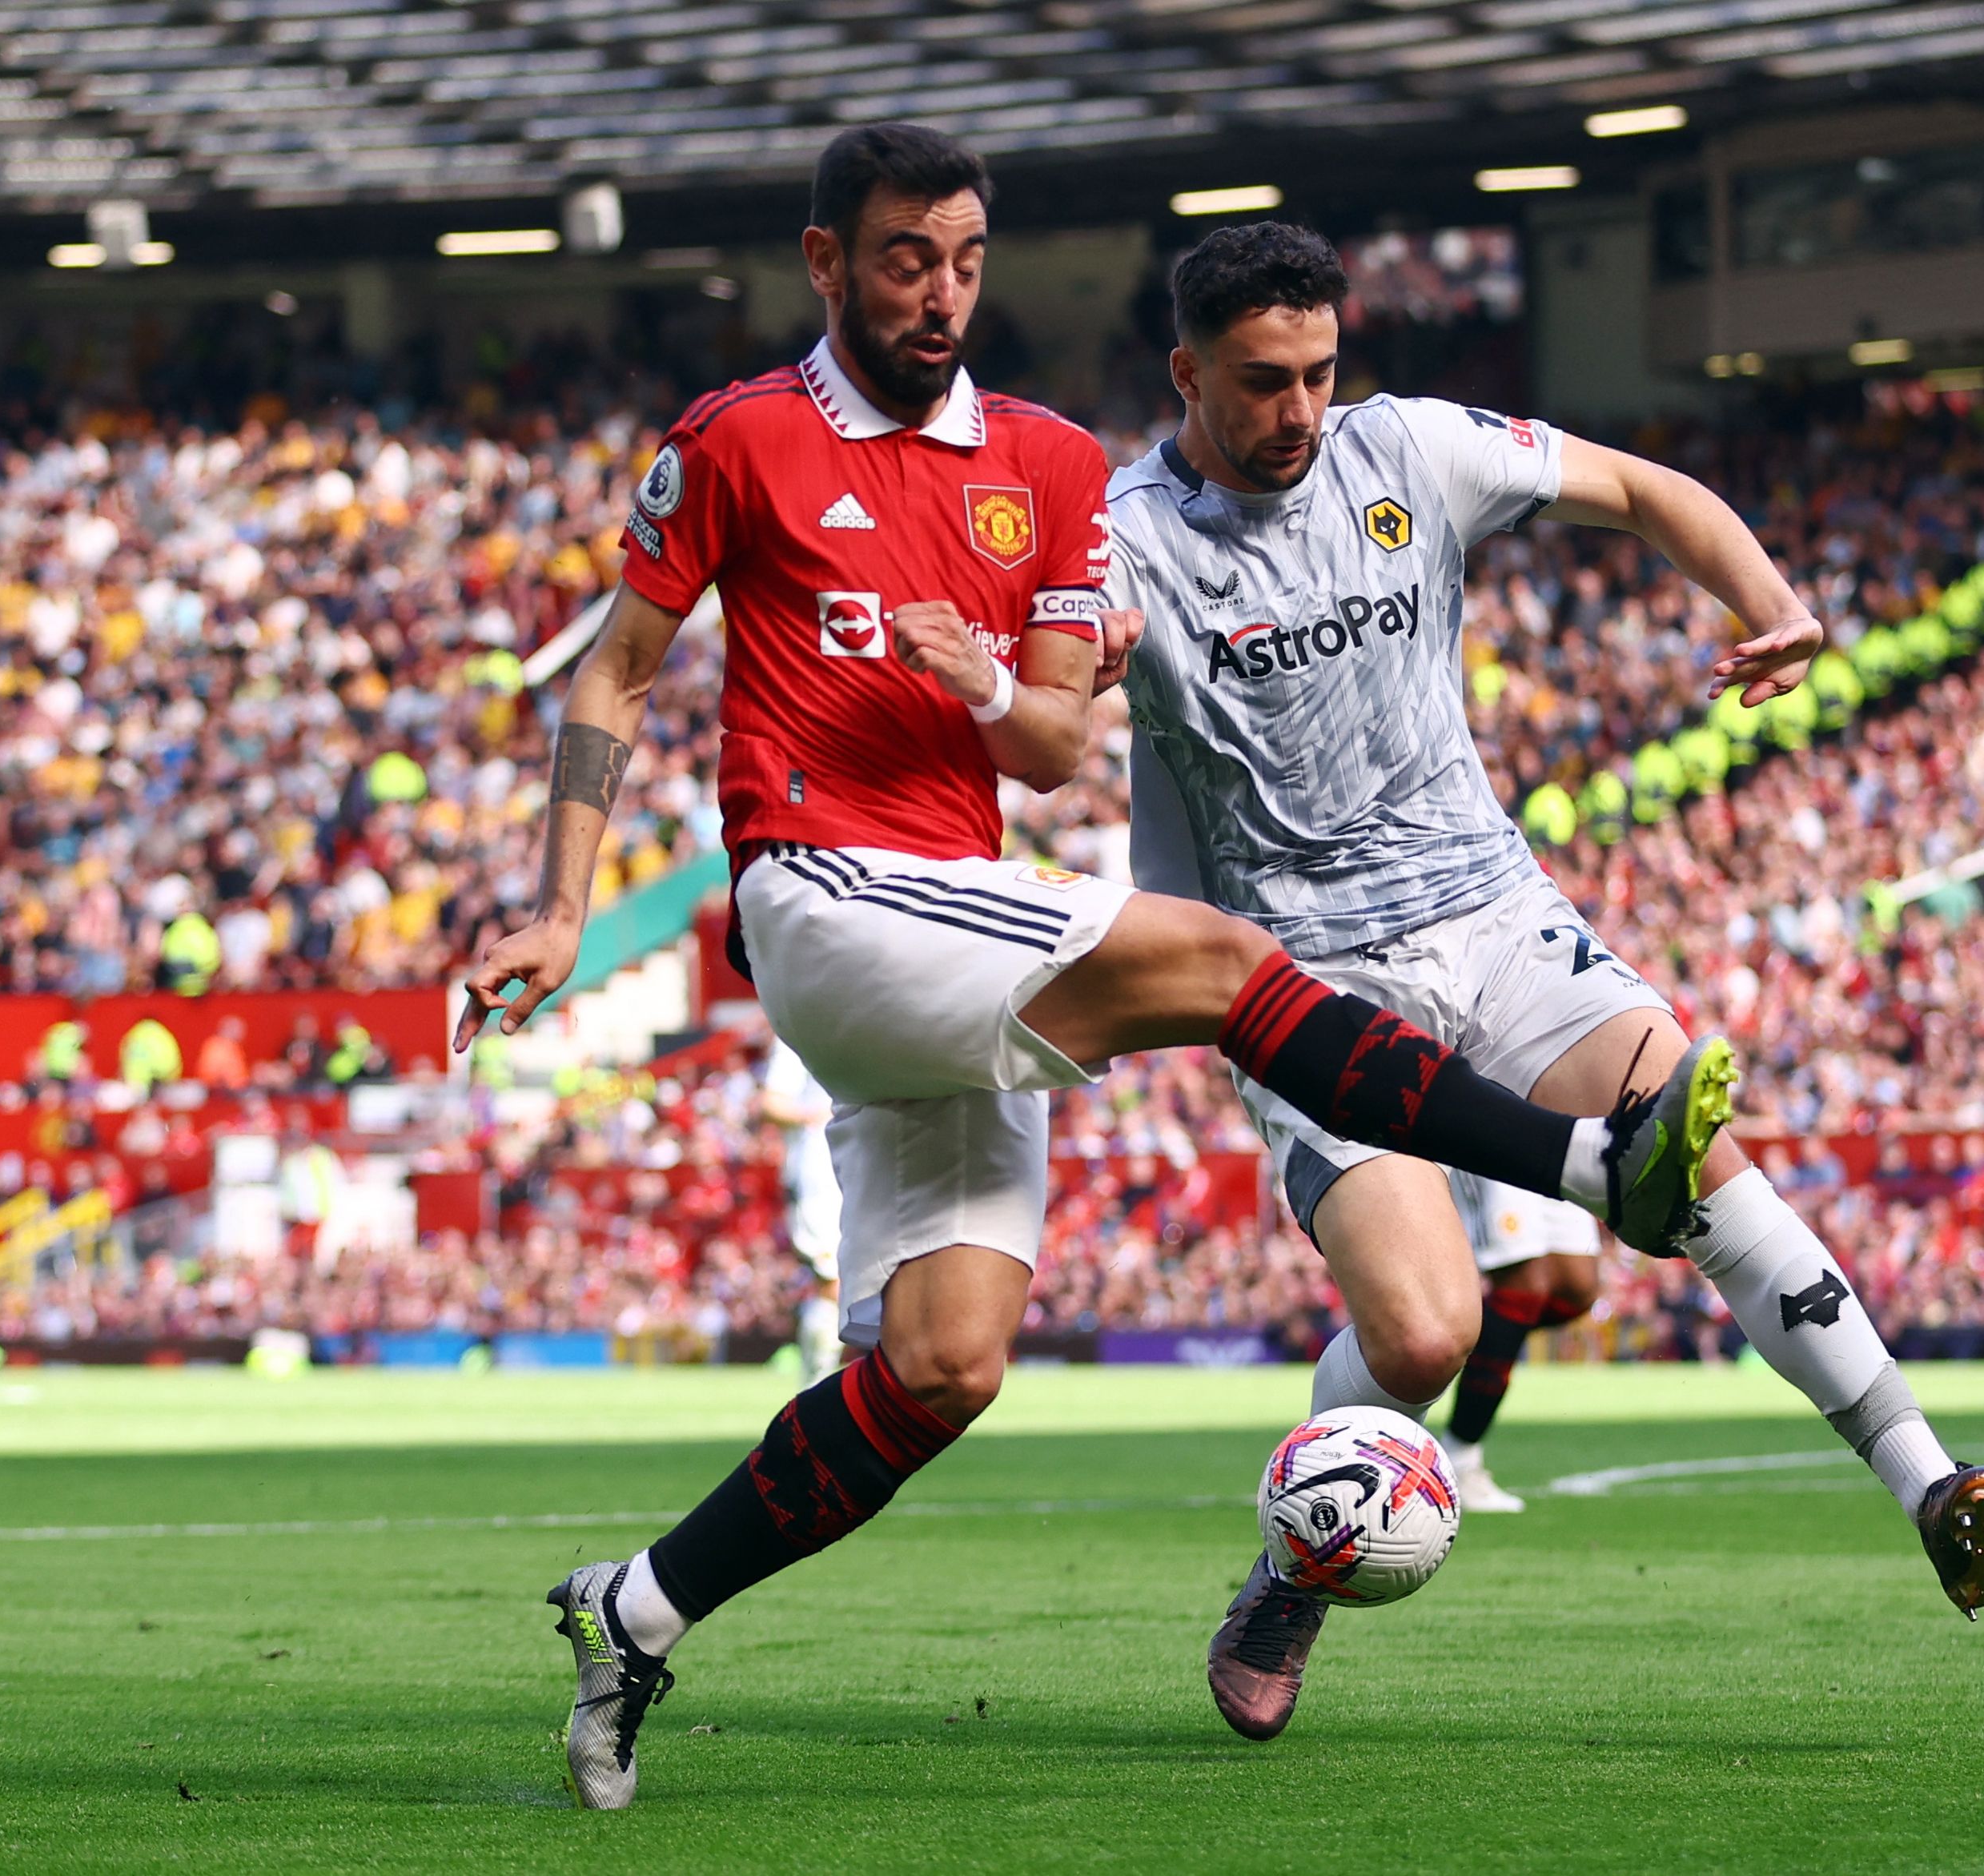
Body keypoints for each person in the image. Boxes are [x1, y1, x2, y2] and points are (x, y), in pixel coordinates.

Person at [463, 127, 1737, 1814]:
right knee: (1224, 952)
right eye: (906, 258)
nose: (941, 290)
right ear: (826, 261)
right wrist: (560, 904)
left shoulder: (1056, 465)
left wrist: (994, 681)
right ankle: (1593, 1161)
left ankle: (632, 1611)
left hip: (960, 906)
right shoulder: (738, 438)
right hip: (828, 891)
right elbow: (619, 673)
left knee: (945, 1361)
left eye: (967, 257)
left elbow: (1058, 746)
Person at [1107, 222, 1984, 1743]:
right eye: (1261, 382)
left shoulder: (1404, 448)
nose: (1296, 411)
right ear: (1186, 372)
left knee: (1696, 1137)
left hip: (1490, 912)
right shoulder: (1122, 536)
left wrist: (1767, 599)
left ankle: (1929, 1482)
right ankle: (1287, 1568)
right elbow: (1040, 699)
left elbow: (1637, 486)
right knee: (1424, 1335)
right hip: (1303, 967)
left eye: (1318, 374)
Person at [1439, 1171, 1601, 1514]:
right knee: (1522, 1287)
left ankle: (1449, 1335)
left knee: (1577, 1288)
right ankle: (1459, 1459)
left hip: (1556, 1130)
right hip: (1490, 1126)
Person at [759, 1034, 849, 1382]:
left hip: (867, 1160)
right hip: (819, 1171)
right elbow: (772, 1103)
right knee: (832, 1280)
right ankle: (816, 1383)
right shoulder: (798, 1031)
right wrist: (821, 1116)